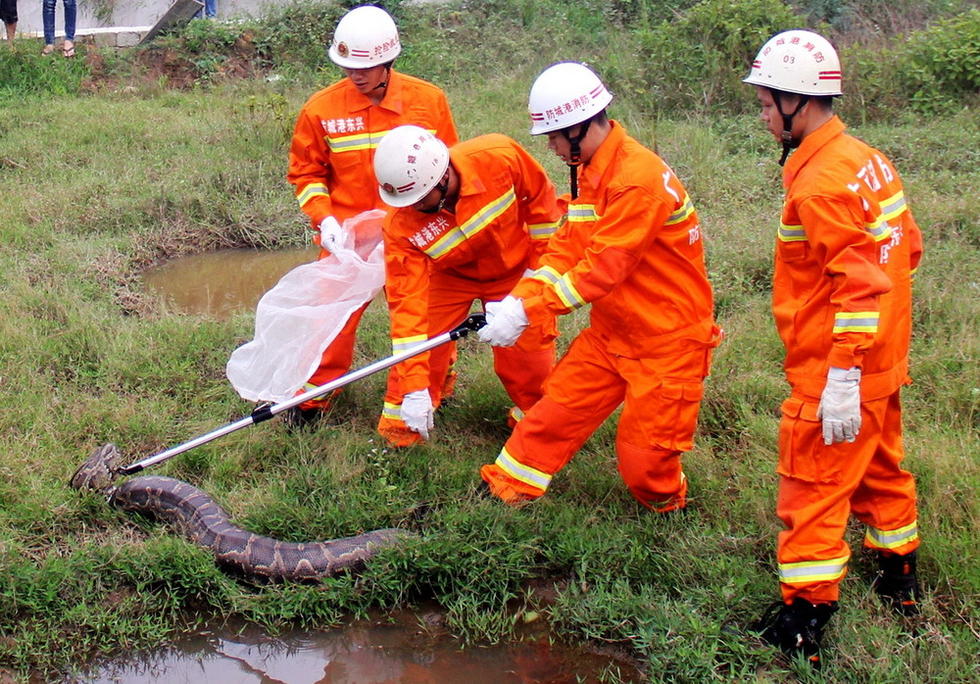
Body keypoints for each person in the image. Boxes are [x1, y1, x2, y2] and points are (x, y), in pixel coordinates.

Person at [743, 30, 924, 668]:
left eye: (766, 104)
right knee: (880, 466)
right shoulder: (864, 157)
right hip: (884, 357)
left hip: (839, 367)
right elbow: (910, 249)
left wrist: (842, 374)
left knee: (812, 487)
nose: (762, 115)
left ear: (797, 102)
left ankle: (805, 617)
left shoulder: (820, 182)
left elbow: (857, 281)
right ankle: (900, 576)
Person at [477, 62, 720, 510]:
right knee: (551, 413)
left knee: (645, 466)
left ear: (579, 127)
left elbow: (600, 270)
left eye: (552, 136)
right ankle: (503, 490)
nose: (549, 147)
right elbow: (568, 248)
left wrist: (533, 309)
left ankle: (669, 505)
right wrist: (521, 298)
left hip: (668, 341)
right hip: (614, 332)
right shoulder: (592, 171)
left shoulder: (635, 180)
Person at [285, 5, 458, 428]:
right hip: (348, 238)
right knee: (331, 321)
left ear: (389, 61)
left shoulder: (427, 101)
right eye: (347, 67)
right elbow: (306, 172)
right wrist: (323, 219)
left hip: (416, 235)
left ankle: (434, 390)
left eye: (364, 67)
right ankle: (314, 398)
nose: (355, 75)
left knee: (425, 319)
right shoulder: (321, 109)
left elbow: (449, 169)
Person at [372, 125, 561, 447]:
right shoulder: (401, 224)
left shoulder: (499, 157)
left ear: (441, 177)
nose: (409, 208)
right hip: (449, 277)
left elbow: (542, 207)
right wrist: (415, 388)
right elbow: (407, 308)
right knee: (421, 351)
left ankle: (535, 425)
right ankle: (403, 433)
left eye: (418, 200)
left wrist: (538, 274)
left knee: (529, 362)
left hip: (516, 272)